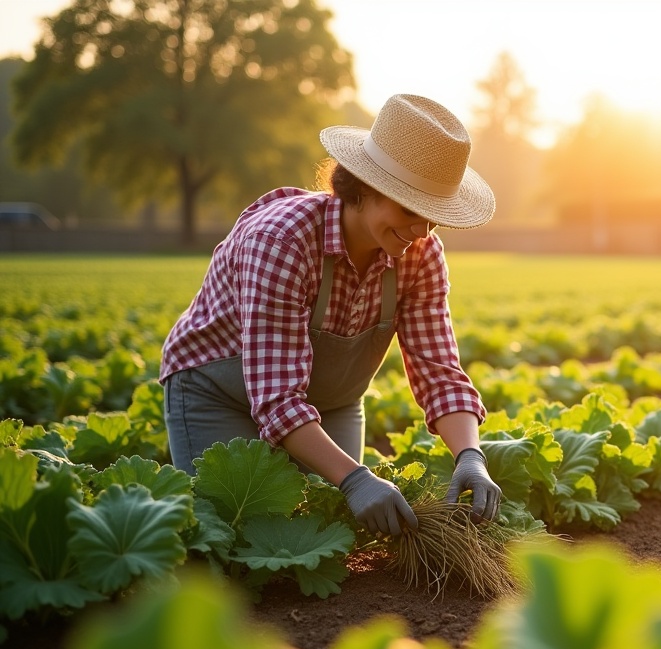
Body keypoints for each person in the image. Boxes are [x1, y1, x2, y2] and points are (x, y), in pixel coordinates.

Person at [160, 94, 502, 537]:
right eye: (409, 211)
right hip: (218, 392)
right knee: (239, 537)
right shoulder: (282, 241)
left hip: (332, 401)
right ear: (363, 187)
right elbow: (277, 398)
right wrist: (356, 478)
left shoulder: (420, 254)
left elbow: (439, 371)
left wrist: (470, 456)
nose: (421, 231)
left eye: (433, 220)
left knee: (331, 533)